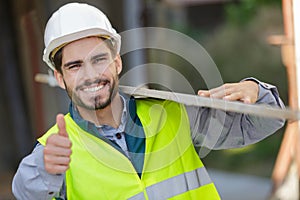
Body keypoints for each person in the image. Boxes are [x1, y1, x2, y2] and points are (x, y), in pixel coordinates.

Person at [12, 2, 285, 200]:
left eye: (99, 59)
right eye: (75, 66)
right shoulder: (54, 152)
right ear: (60, 78)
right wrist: (46, 170)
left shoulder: (171, 112)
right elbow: (25, 192)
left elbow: (265, 121)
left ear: (117, 62)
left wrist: (255, 91)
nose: (91, 74)